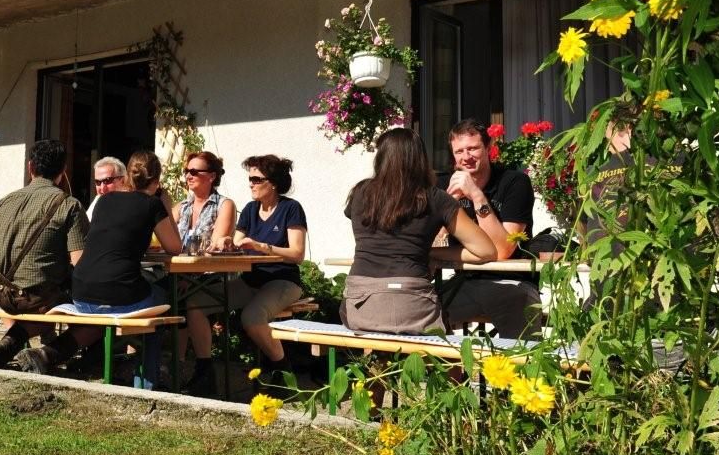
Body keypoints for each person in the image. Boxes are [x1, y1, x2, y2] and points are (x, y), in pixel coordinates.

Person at [343, 128, 495, 335]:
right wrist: (430, 253)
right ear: (420, 159)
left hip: (359, 304)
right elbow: (486, 250)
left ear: (381, 158)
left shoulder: (360, 193)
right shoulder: (436, 198)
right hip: (412, 303)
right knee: (445, 345)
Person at [61, 152, 184, 373]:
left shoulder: (104, 201)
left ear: (127, 176)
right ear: (156, 181)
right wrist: (165, 205)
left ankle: (82, 359)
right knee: (162, 298)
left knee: (130, 292)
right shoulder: (152, 205)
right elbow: (175, 247)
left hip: (80, 292)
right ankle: (146, 380)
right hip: (117, 294)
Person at [0, 139, 90, 371]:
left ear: (30, 167)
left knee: (45, 290)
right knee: (90, 308)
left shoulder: (4, 201)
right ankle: (47, 354)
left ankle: (8, 344)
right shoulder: (69, 204)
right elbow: (81, 264)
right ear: (63, 171)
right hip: (38, 297)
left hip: (1, 294)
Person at [436, 119, 543, 339]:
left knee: (523, 345)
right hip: (465, 281)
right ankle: (445, 363)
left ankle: (525, 361)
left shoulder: (515, 182)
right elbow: (429, 244)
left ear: (488, 147)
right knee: (423, 311)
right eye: (459, 151)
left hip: (512, 282)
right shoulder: (444, 186)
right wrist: (447, 205)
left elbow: (502, 251)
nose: (466, 157)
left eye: (473, 148)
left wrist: (477, 195)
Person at [221, 155, 308, 389]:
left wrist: (262, 247)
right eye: (250, 179)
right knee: (198, 302)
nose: (251, 184)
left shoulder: (290, 208)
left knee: (252, 316)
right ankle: (203, 370)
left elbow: (297, 253)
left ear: (274, 183)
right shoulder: (250, 209)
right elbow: (237, 244)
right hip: (251, 280)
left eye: (257, 179)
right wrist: (226, 243)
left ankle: (283, 369)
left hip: (283, 280)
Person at [171, 150, 238, 395]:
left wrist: (191, 275)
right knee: (163, 294)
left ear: (211, 176)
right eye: (186, 171)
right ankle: (174, 369)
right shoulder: (181, 207)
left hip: (212, 275)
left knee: (186, 300)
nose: (188, 176)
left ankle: (202, 372)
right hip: (180, 274)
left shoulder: (224, 205)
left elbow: (216, 246)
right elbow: (165, 240)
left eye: (194, 171)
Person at [86, 156, 130, 221]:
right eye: (98, 182)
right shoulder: (99, 199)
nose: (102, 188)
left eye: (107, 180)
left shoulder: (131, 204)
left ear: (123, 181)